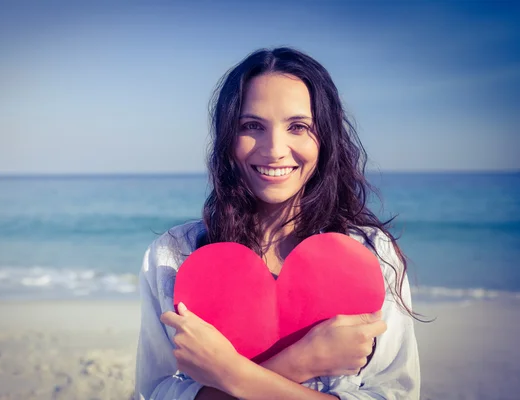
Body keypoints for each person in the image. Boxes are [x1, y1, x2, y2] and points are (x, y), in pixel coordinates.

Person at [134, 47, 420, 400]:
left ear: (326, 139)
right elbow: (153, 393)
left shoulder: (371, 254)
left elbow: (394, 393)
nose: (274, 149)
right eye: (252, 126)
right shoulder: (173, 257)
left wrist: (230, 375)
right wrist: (301, 361)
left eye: (298, 127)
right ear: (226, 138)